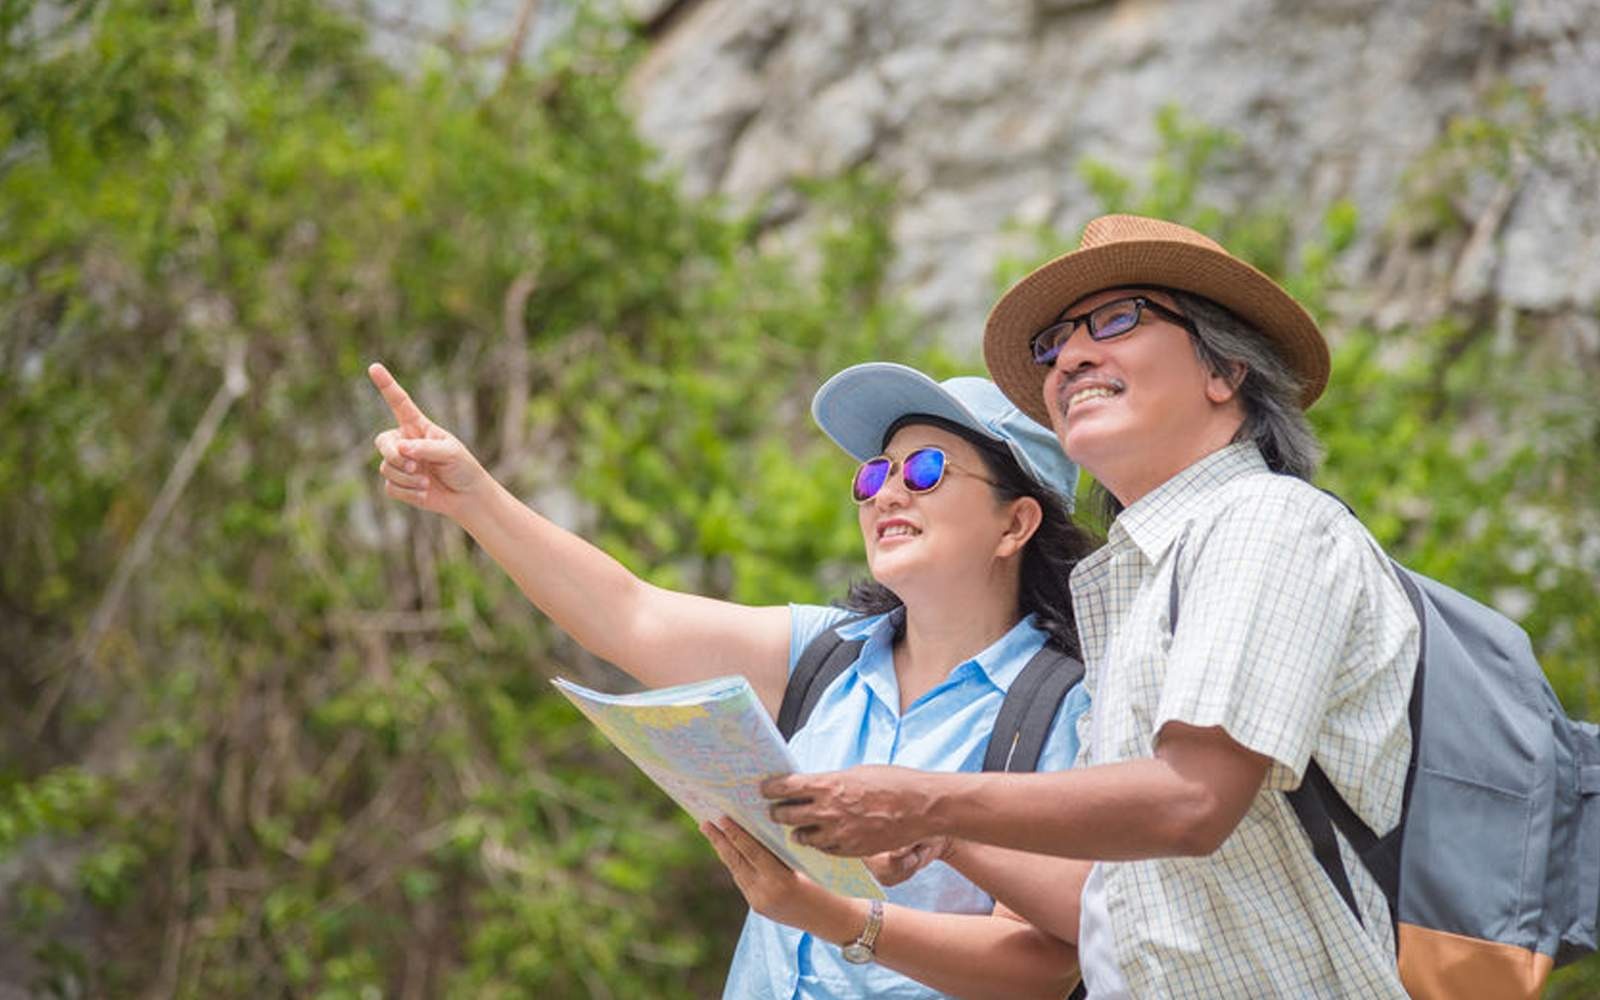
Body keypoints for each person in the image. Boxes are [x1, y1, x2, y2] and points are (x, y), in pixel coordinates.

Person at [762, 215, 1420, 998]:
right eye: (1055, 344)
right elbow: (1111, 898)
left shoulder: (1265, 521)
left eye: (1117, 319)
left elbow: (1191, 801)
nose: (1070, 356)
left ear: (1227, 370)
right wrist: (941, 830)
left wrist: (920, 797)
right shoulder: (1133, 584)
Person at [367, 359, 1097, 999]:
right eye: (875, 473)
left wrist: (837, 919)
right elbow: (628, 614)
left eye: (926, 470)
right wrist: (470, 496)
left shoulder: (1069, 706)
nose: (885, 494)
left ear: (1016, 523)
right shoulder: (825, 651)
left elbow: (1042, 971)